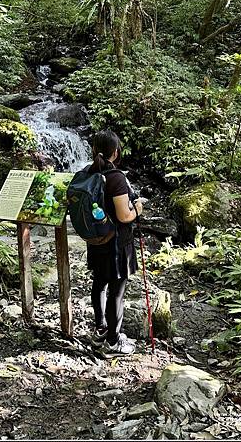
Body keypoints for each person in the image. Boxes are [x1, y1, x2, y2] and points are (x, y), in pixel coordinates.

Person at [86, 129, 143, 357]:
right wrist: (137, 209)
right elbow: (124, 216)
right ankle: (112, 342)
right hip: (117, 244)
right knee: (116, 291)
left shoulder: (89, 172)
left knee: (99, 283)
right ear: (116, 151)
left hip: (97, 239)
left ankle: (100, 331)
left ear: (93, 150)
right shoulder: (116, 177)